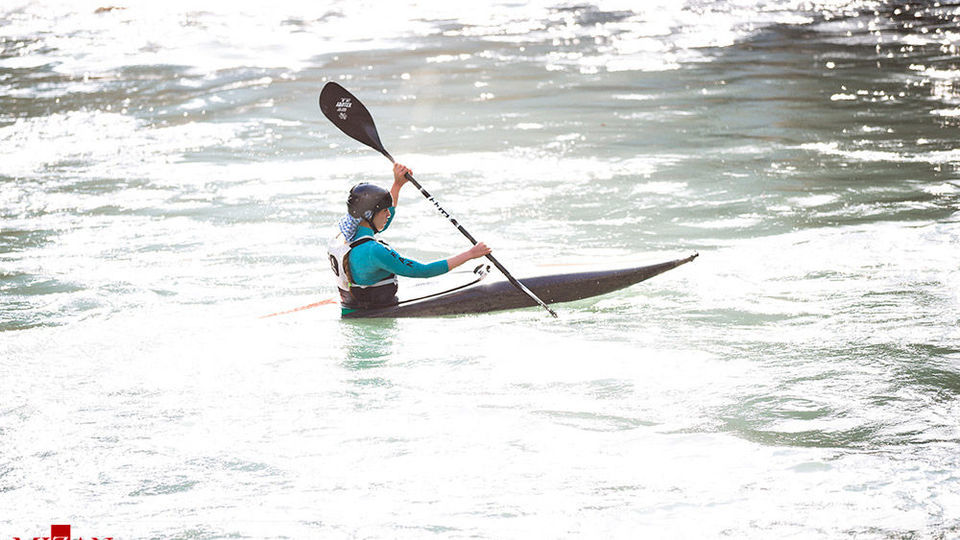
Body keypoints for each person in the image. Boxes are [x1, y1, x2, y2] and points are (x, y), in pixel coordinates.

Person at [329, 163, 491, 315]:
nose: (388, 214)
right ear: (369, 215)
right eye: (384, 210)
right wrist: (471, 254)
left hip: (351, 310)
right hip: (374, 317)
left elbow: (380, 224)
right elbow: (423, 271)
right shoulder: (374, 251)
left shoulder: (343, 235)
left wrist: (397, 184)